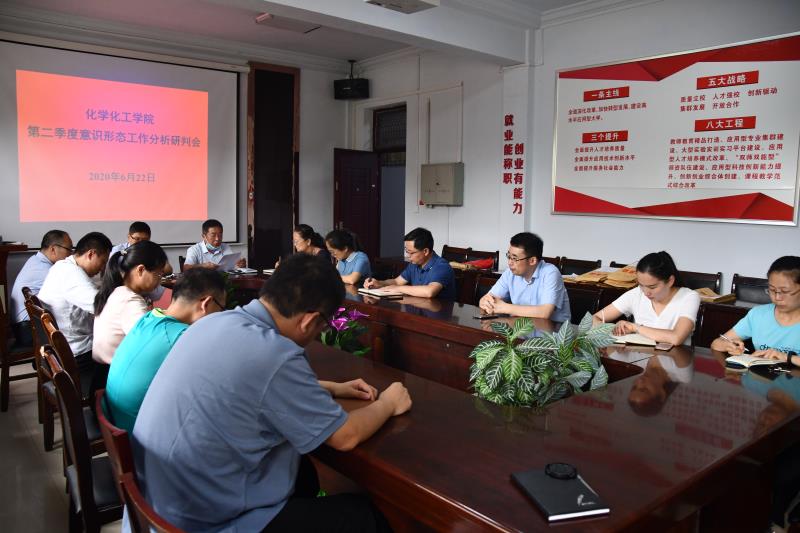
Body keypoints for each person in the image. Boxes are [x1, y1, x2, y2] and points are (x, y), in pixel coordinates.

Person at [130, 254, 411, 532]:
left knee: (303, 475)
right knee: (362, 517)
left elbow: (246, 386)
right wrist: (389, 402)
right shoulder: (275, 353)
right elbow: (345, 436)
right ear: (309, 321)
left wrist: (331, 388)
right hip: (202, 522)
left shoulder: (212, 323)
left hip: (157, 506)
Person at [105, 268, 226, 432]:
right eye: (221, 309)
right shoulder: (183, 337)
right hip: (139, 436)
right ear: (206, 303)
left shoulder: (149, 317)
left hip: (116, 419)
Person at [38, 231, 112, 387]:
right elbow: (101, 307)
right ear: (91, 254)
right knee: (125, 355)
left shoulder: (63, 266)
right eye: (102, 262)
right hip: (76, 354)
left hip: (61, 347)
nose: (102, 268)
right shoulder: (71, 273)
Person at [593, 251, 700, 346]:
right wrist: (612, 328)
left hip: (675, 359)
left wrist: (635, 327)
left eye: (652, 287)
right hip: (640, 357)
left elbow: (676, 338)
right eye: (641, 285)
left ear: (670, 281)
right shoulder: (636, 294)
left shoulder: (689, 297)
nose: (646, 292)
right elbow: (594, 318)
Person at [92, 240, 168, 366]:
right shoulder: (130, 301)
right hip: (112, 371)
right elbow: (149, 343)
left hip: (104, 367)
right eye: (159, 274)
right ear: (141, 270)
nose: (159, 281)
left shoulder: (117, 291)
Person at [711, 256, 800, 364]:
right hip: (761, 374)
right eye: (772, 290)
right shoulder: (758, 314)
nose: (777, 297)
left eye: (785, 291)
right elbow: (717, 343)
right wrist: (729, 346)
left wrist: (787, 357)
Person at [478, 232, 571, 322]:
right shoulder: (510, 273)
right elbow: (490, 298)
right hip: (521, 327)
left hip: (553, 330)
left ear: (532, 260)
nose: (510, 262)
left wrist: (505, 308)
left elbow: (545, 312)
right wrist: (484, 302)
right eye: (509, 256)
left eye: (515, 258)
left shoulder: (550, 273)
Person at [9, 230, 72, 348]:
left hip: (23, 327)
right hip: (28, 330)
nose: (71, 254)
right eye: (69, 249)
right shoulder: (46, 270)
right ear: (53, 249)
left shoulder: (35, 260)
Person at [363, 227, 456, 300]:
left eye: (411, 253)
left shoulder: (441, 266)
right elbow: (397, 282)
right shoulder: (414, 264)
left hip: (438, 315)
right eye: (407, 251)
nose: (408, 256)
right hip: (418, 309)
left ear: (425, 251)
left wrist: (397, 288)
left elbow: (429, 292)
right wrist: (379, 283)